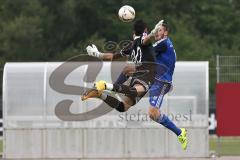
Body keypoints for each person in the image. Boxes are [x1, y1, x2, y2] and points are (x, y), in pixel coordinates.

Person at [83, 19, 188, 150]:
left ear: (166, 33)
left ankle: (180, 133)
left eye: (159, 30)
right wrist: (97, 54)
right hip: (149, 76)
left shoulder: (163, 43)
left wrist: (147, 37)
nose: (156, 32)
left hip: (162, 81)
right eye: (156, 30)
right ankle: (102, 94)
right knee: (122, 107)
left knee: (153, 113)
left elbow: (145, 44)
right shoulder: (138, 44)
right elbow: (115, 56)